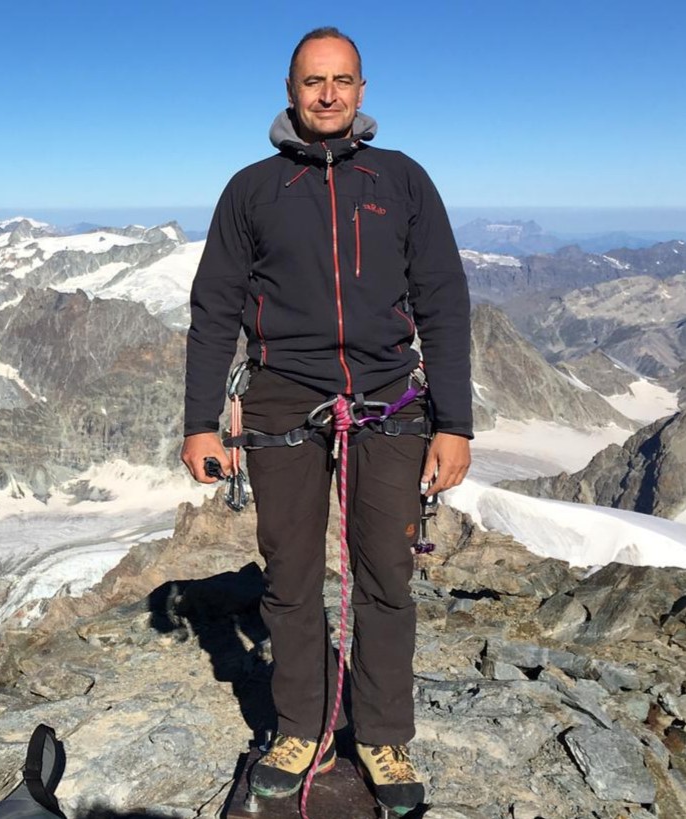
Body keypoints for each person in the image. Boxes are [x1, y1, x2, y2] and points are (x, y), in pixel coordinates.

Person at [180, 26, 472, 815]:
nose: (329, 94)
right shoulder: (252, 189)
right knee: (289, 577)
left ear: (363, 91)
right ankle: (301, 725)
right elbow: (214, 309)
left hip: (389, 400)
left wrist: (457, 421)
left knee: (385, 573)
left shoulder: (402, 180)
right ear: (291, 90)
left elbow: (443, 298)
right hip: (282, 400)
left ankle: (381, 732)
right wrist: (199, 420)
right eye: (315, 81)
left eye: (343, 80)